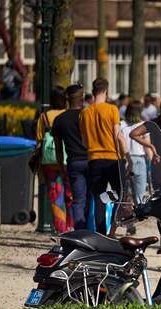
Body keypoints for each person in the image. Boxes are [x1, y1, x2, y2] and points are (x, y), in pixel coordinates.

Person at [79, 77, 126, 233]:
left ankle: (100, 233)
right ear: (106, 91)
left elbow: (84, 142)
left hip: (94, 159)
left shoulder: (85, 113)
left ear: (93, 92)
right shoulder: (112, 109)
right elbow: (117, 135)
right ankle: (112, 229)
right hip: (112, 158)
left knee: (99, 198)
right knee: (120, 193)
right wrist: (126, 156)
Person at [52, 83, 89, 230]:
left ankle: (80, 234)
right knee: (92, 199)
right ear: (82, 98)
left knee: (78, 200)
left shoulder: (60, 119)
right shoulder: (88, 115)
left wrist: (61, 166)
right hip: (91, 159)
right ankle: (94, 233)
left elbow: (58, 148)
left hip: (74, 162)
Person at [35, 86, 71, 233]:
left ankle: (60, 228)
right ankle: (72, 227)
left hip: (49, 161)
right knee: (70, 193)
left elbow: (38, 138)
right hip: (67, 158)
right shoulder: (68, 114)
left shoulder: (44, 116)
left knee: (56, 195)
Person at [121, 101, 148, 205]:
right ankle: (138, 215)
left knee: (125, 192)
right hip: (140, 160)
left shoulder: (121, 125)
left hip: (125, 160)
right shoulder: (143, 125)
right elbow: (147, 146)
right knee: (139, 195)